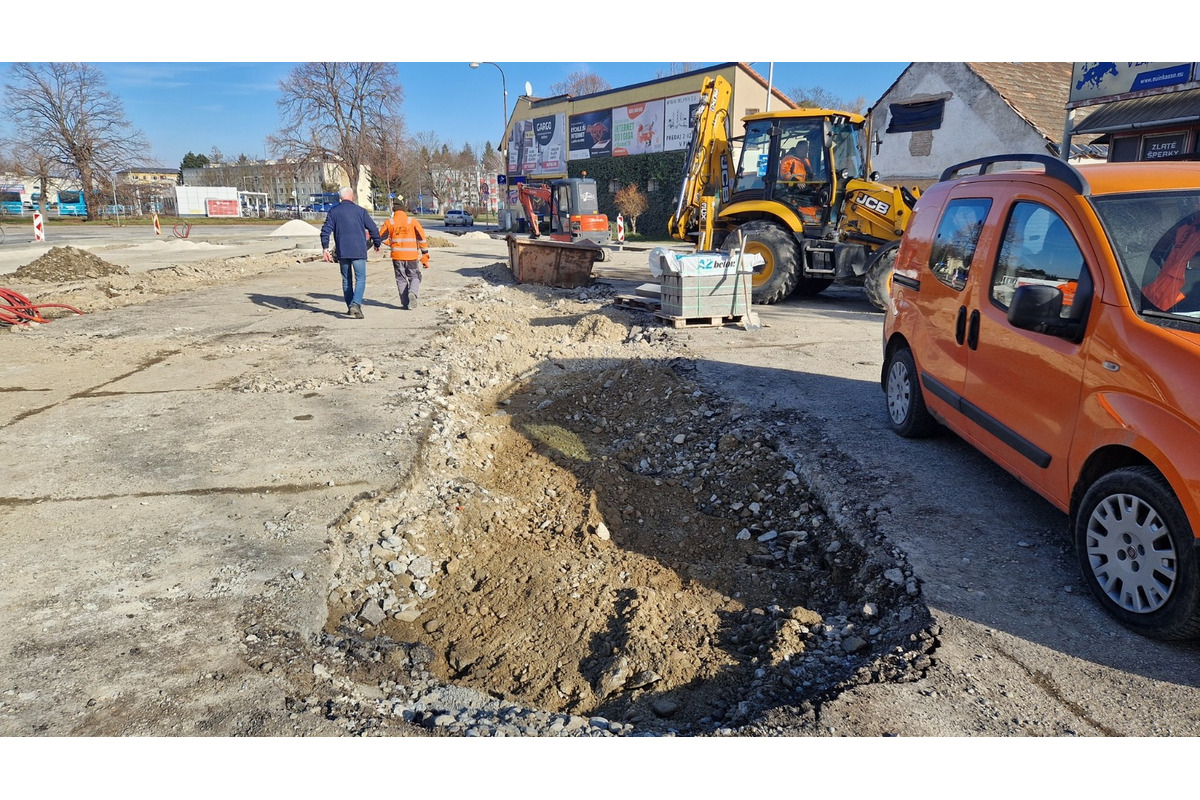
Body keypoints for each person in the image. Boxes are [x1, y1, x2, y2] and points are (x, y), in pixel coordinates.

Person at [320, 187, 381, 319]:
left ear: (340, 198)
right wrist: (377, 243)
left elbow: (325, 230)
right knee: (360, 279)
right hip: (359, 250)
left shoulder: (334, 212)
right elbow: (373, 228)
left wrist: (325, 248)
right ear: (352, 197)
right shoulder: (361, 211)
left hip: (342, 251)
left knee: (346, 280)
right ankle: (356, 304)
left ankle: (350, 306)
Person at [378, 200, 430, 309]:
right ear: (404, 210)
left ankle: (405, 303)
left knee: (401, 279)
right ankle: (412, 293)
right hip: (411, 255)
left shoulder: (390, 222)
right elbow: (421, 237)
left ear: (394, 211)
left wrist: (391, 243)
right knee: (414, 276)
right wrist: (425, 253)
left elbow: (380, 237)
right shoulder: (412, 221)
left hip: (397, 256)